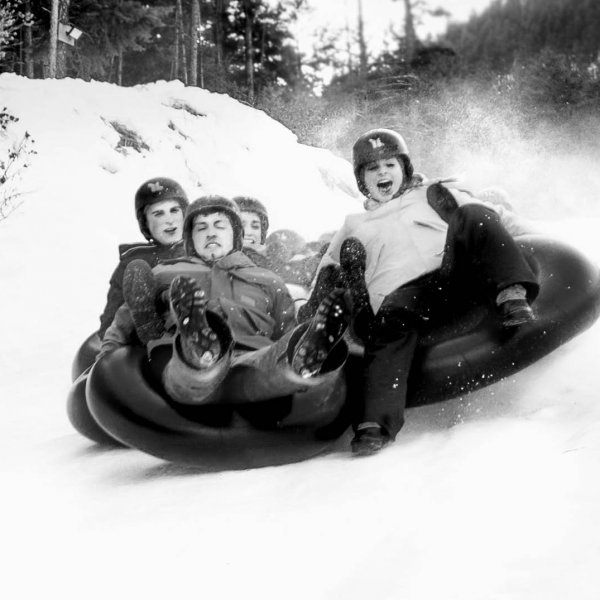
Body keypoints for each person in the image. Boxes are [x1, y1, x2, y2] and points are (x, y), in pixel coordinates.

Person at [310, 128, 539, 456]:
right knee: (390, 315)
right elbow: (327, 272)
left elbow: (491, 221)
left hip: (456, 278)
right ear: (362, 180)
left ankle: (512, 293)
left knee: (471, 213)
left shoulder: (434, 194)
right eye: (373, 169)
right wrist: (309, 311)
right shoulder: (353, 224)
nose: (383, 173)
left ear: (404, 168)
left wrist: (543, 236)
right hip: (406, 301)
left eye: (389, 164)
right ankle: (375, 423)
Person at [100, 196, 350, 410]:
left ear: (235, 235)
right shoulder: (165, 274)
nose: (210, 232)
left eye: (219, 225)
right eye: (201, 227)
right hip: (179, 362)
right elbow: (123, 325)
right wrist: (105, 371)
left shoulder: (267, 280)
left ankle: (306, 352)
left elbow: (284, 328)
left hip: (251, 357)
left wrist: (296, 335)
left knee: (268, 363)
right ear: (190, 238)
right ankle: (200, 343)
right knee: (192, 369)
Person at [97, 177, 189, 339]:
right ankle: (149, 326)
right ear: (145, 222)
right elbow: (112, 315)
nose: (169, 220)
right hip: (145, 342)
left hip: (192, 327)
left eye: (174, 210)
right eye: (158, 214)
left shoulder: (200, 249)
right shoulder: (134, 260)